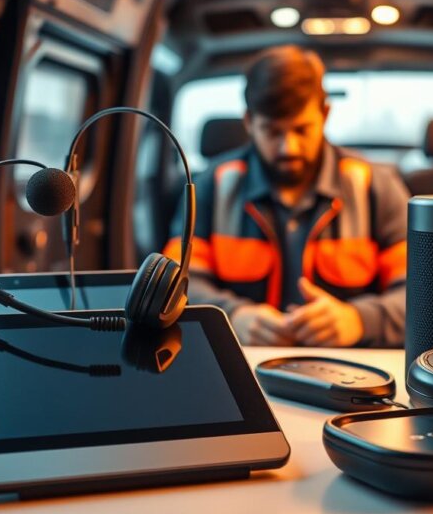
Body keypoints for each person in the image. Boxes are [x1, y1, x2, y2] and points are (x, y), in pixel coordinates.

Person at [163, 45, 409, 348]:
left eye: (302, 130)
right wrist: (231, 316)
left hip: (351, 365)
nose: (288, 148)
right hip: (242, 362)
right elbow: (172, 286)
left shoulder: (376, 187)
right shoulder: (211, 187)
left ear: (325, 114)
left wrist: (361, 320)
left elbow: (423, 294)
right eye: (272, 131)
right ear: (249, 122)